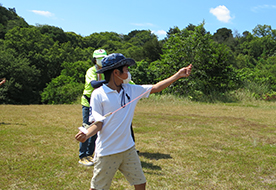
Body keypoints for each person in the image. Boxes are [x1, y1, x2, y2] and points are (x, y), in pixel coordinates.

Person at [75, 53, 192, 190]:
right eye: (126, 69)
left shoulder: (131, 89)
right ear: (116, 72)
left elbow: (155, 88)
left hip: (128, 149)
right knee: (98, 188)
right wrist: (87, 134)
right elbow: (98, 123)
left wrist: (177, 75)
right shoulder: (98, 94)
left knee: (140, 183)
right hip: (107, 152)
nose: (128, 72)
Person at [79, 49, 107, 166]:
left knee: (96, 129)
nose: (102, 60)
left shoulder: (106, 71)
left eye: (104, 58)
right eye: (100, 58)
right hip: (88, 101)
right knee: (87, 127)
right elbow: (94, 84)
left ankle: (90, 154)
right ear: (95, 60)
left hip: (99, 102)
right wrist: (109, 80)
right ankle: (82, 156)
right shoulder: (91, 71)